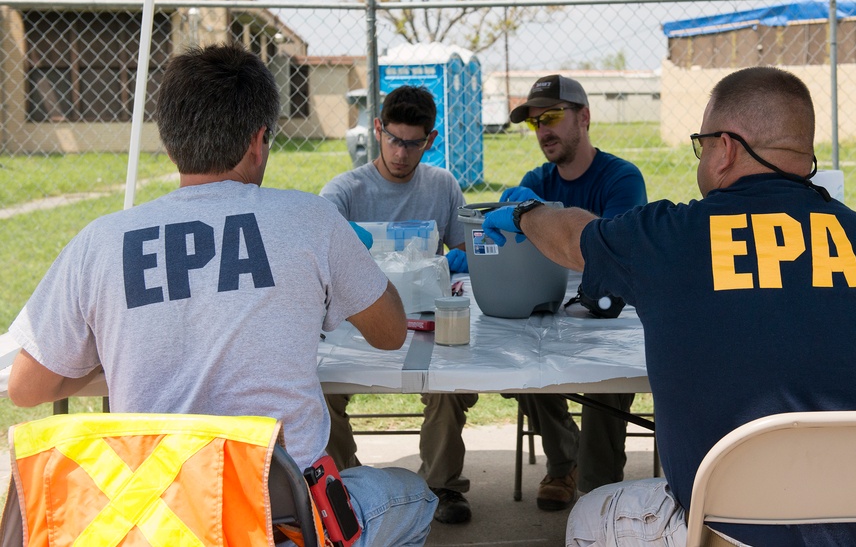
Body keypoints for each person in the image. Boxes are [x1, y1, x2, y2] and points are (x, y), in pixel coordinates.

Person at [483, 66, 856, 547]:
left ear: (725, 148)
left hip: (727, 531)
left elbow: (570, 236)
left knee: (588, 515)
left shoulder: (666, 238)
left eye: (701, 144)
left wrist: (526, 212)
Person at [7, 43, 438, 547]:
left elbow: (25, 388)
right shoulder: (311, 219)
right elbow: (389, 334)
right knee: (416, 497)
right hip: (282, 514)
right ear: (259, 141)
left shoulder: (98, 242)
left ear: (170, 144)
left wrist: (121, 356)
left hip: (154, 516)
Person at [320, 85, 475, 525]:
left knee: (449, 387)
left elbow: (466, 259)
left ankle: (442, 486)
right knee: (321, 391)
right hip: (355, 323)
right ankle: (344, 489)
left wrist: (455, 264)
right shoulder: (344, 192)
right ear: (377, 129)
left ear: (431, 139)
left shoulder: (442, 185)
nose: (401, 153)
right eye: (393, 139)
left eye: (413, 143)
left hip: (425, 320)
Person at [499, 74, 647, 511]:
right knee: (518, 356)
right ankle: (564, 463)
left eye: (551, 116)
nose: (543, 130)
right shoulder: (536, 179)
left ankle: (599, 496)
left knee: (606, 380)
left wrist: (544, 221)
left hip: (612, 314)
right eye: (534, 122)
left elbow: (613, 255)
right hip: (551, 308)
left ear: (584, 116)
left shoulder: (621, 178)